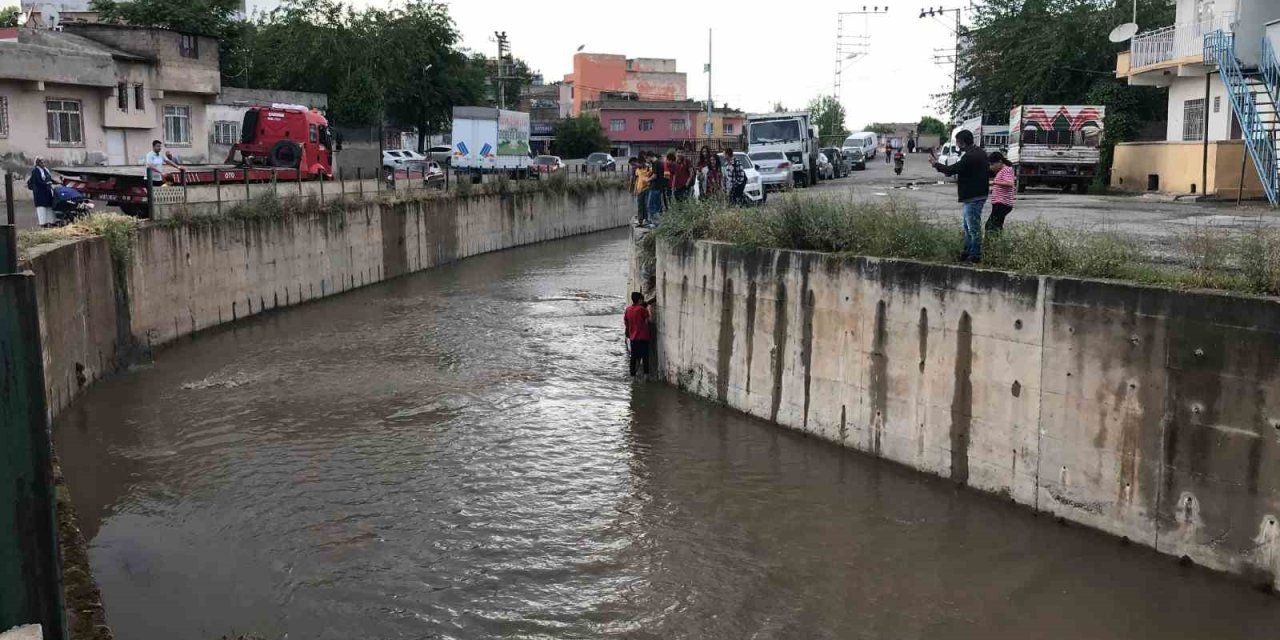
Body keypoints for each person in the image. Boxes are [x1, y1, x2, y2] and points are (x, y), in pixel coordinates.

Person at [931, 129, 989, 262]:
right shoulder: (980, 153)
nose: (956, 145)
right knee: (968, 226)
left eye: (957, 142)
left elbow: (952, 170)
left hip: (973, 196)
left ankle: (975, 255)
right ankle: (968, 251)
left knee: (972, 228)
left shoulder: (970, 157)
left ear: (962, 142)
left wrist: (936, 164)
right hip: (977, 194)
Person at [986, 151, 1016, 235]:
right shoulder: (1001, 170)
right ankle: (997, 244)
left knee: (990, 226)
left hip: (1002, 203)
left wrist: (995, 183)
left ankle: (991, 244)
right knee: (997, 226)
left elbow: (1010, 183)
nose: (991, 167)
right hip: (999, 203)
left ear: (999, 162)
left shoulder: (1006, 169)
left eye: (992, 164)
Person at [624, 291, 652, 377]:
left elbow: (626, 322)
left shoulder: (628, 309)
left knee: (633, 357)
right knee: (645, 357)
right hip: (643, 337)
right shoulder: (642, 309)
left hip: (633, 338)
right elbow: (647, 321)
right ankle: (646, 376)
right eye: (642, 299)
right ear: (639, 300)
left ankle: (633, 375)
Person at [27, 157, 56, 228]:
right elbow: (37, 181)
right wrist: (46, 183)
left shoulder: (45, 170)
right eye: (42, 162)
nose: (44, 164)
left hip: (47, 191)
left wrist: (55, 182)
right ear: (38, 163)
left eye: (44, 162)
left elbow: (49, 178)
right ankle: (43, 223)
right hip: (39, 192)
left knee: (49, 207)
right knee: (41, 208)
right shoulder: (35, 171)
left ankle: (51, 222)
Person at [647, 153, 668, 225]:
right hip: (659, 187)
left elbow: (655, 175)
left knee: (651, 205)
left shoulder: (655, 163)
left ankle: (654, 222)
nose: (647, 161)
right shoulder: (660, 163)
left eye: (647, 159)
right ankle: (659, 222)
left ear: (649, 157)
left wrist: (648, 180)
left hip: (655, 187)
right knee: (658, 205)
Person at [630, 157, 652, 226]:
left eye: (639, 163)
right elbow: (636, 180)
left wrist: (649, 181)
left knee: (646, 205)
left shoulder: (649, 169)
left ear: (643, 162)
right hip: (639, 190)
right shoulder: (637, 170)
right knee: (640, 205)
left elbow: (651, 178)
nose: (638, 165)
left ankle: (646, 219)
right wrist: (635, 190)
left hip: (646, 189)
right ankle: (640, 220)